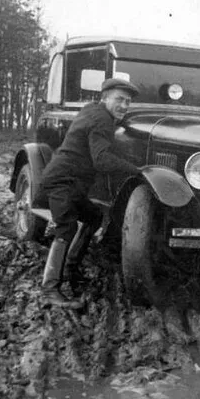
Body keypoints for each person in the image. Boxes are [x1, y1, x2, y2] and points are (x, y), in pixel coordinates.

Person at [38, 78, 142, 306]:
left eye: (128, 102)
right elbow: (102, 160)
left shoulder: (91, 110)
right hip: (62, 181)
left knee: (93, 216)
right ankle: (49, 290)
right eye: (119, 99)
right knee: (66, 227)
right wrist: (136, 171)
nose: (124, 106)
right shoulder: (103, 119)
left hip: (71, 182)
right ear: (104, 98)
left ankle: (70, 270)